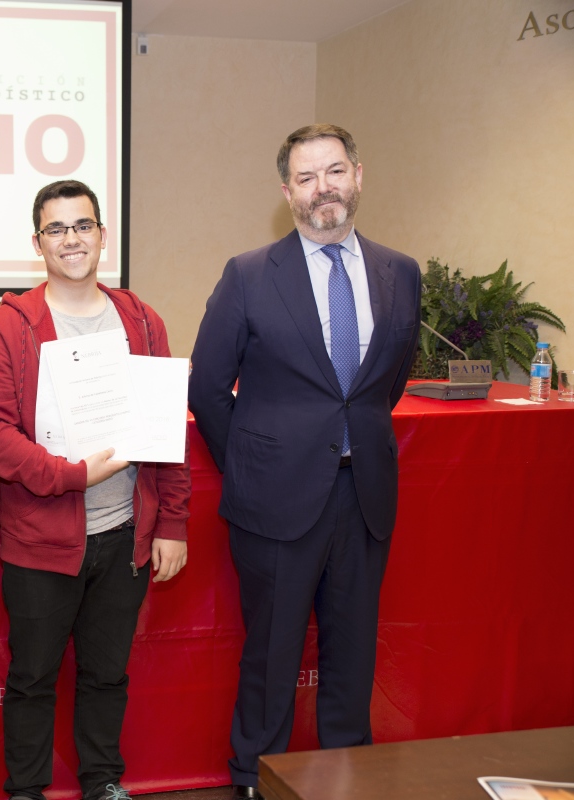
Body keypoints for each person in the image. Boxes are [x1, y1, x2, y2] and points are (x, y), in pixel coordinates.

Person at [187, 124, 421, 799]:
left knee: (353, 652)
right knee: (273, 653)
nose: (325, 188)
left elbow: (385, 382)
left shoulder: (399, 271)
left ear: (358, 175)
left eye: (335, 171)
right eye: (309, 177)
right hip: (274, 500)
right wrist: (254, 467)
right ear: (288, 191)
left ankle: (349, 776)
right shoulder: (250, 274)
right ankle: (255, 779)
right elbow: (207, 387)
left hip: (364, 494)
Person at [0, 180, 190, 800]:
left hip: (124, 535)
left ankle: (102, 781)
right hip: (41, 538)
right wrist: (69, 476)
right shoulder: (11, 326)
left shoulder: (142, 321)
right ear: (37, 242)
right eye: (57, 229)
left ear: (101, 234)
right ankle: (26, 789)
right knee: (33, 676)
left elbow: (167, 430)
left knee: (106, 674)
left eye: (83, 226)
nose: (72, 239)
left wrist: (172, 522)